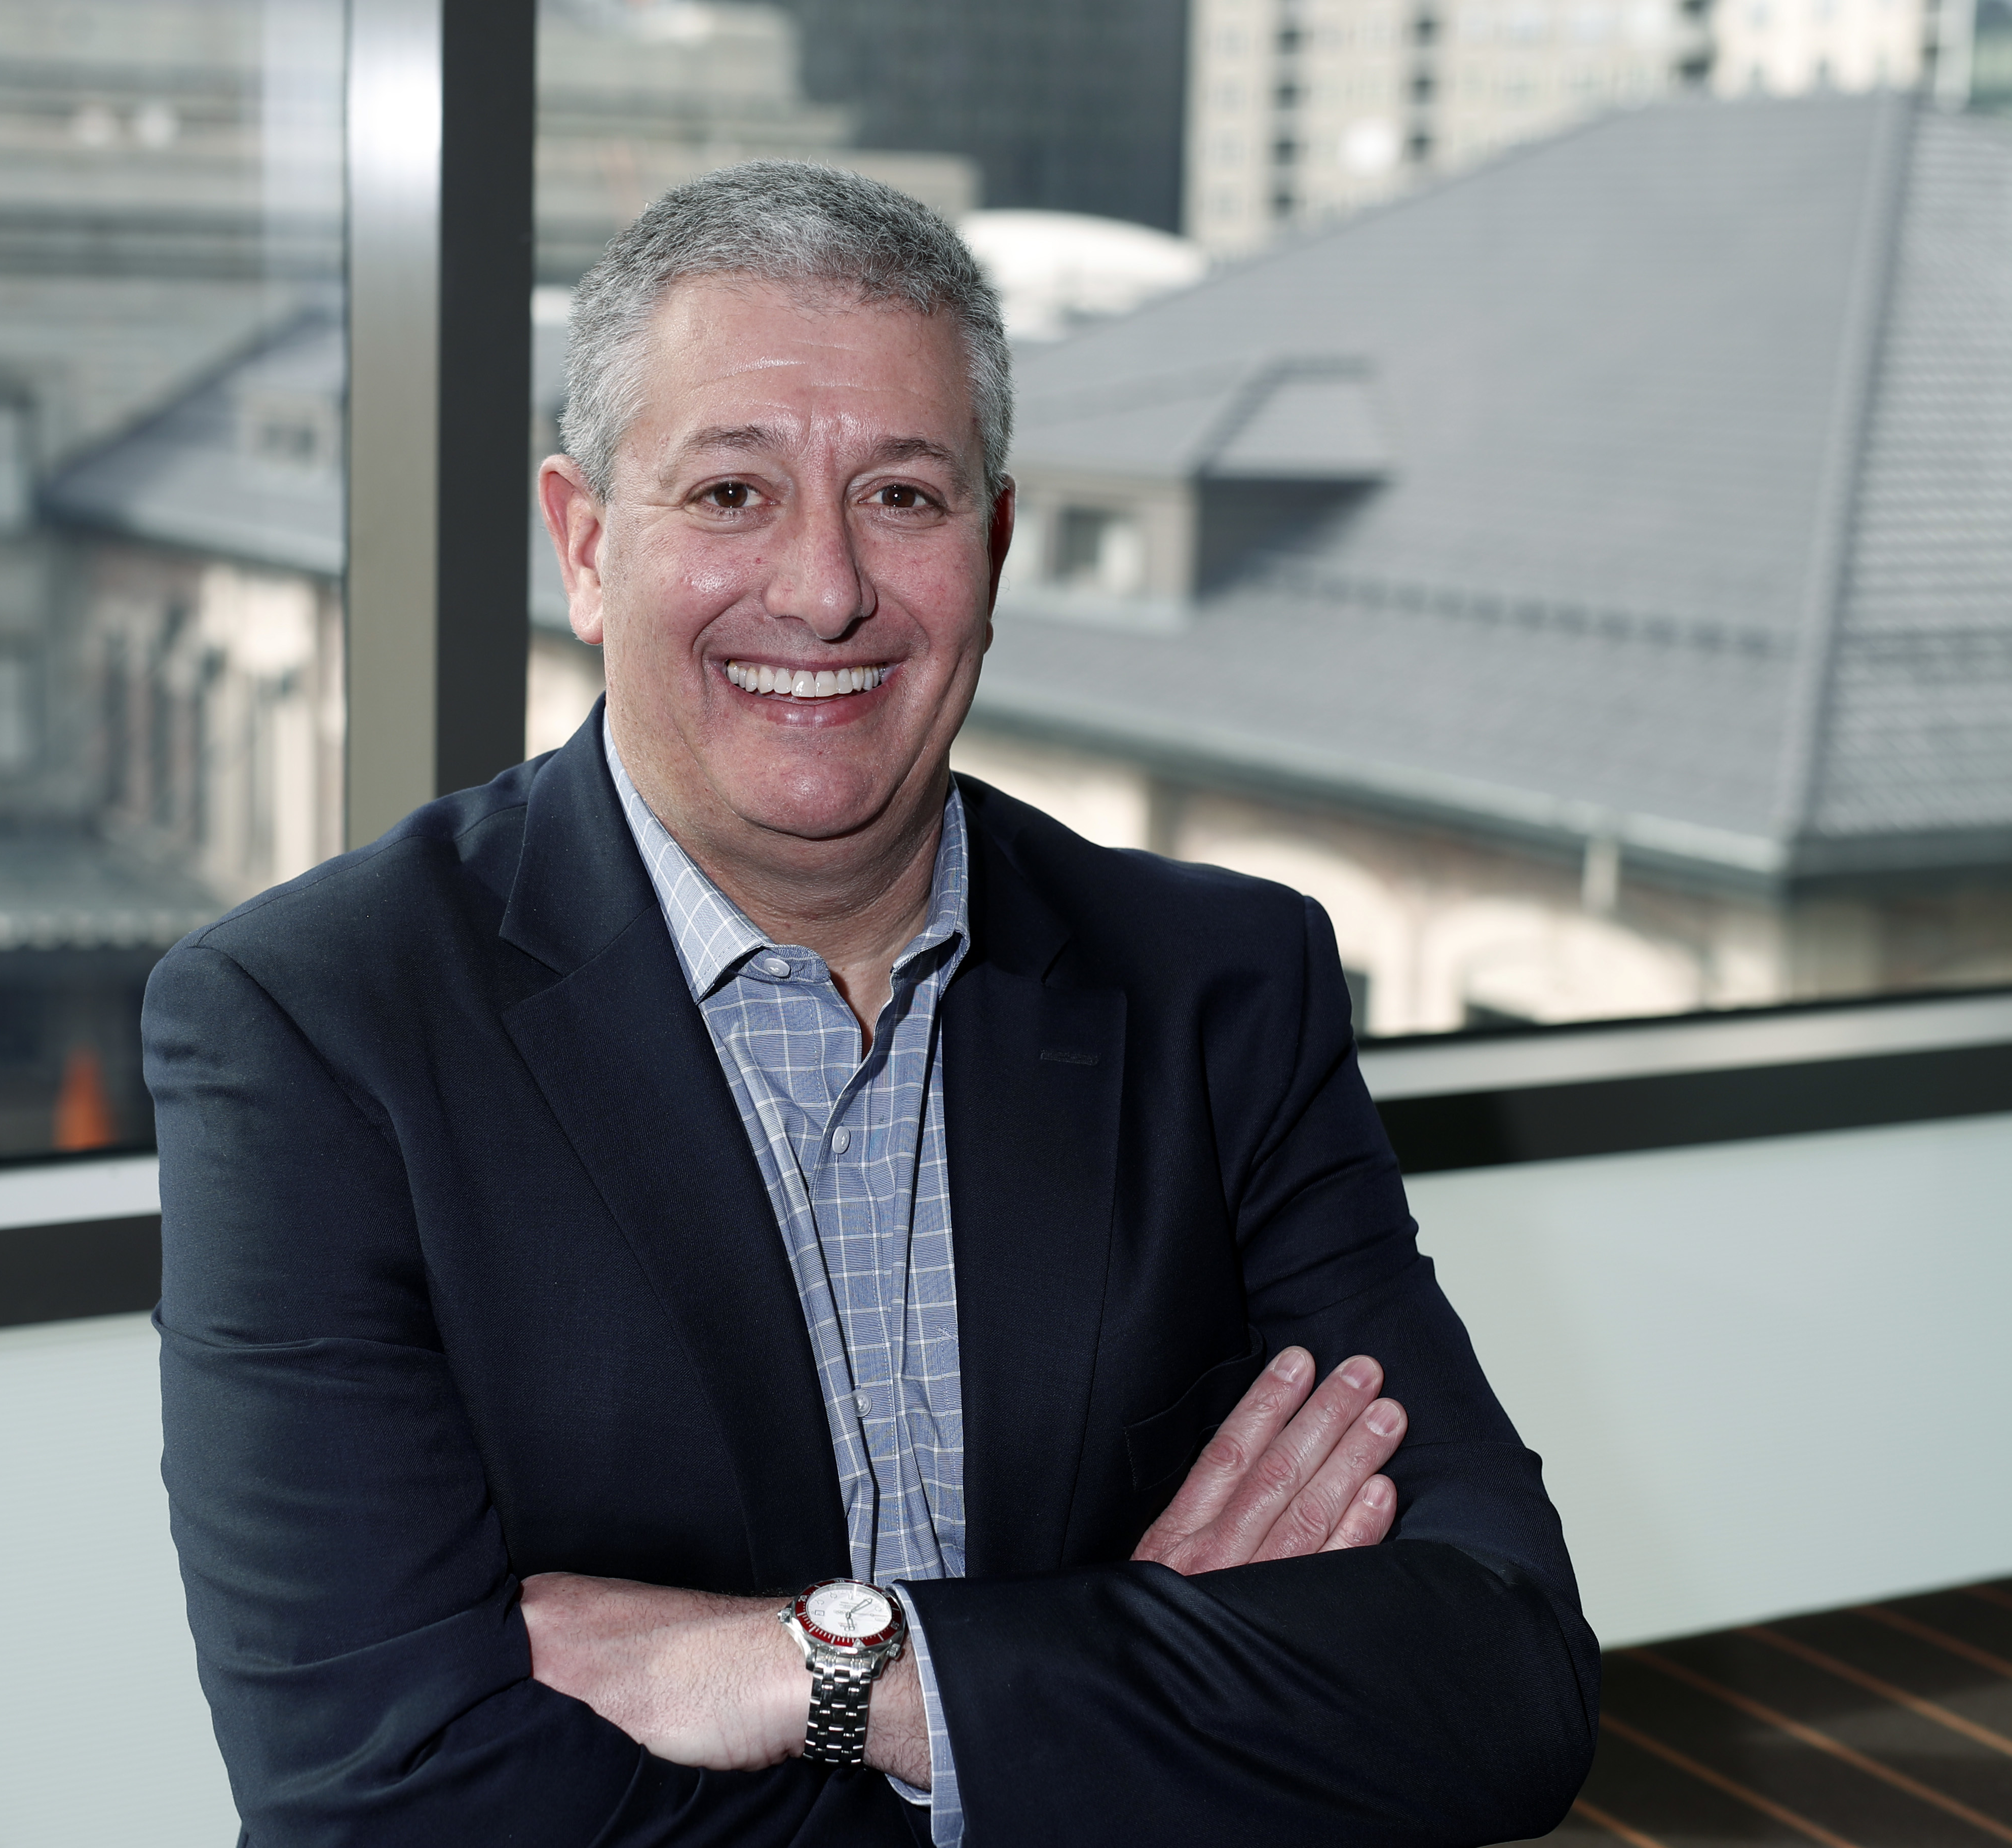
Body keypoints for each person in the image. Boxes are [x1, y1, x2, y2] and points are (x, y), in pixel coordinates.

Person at [148, 160, 1598, 1847]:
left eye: (904, 497)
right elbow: (385, 1810)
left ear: (992, 546)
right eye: (732, 494)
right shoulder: (315, 1032)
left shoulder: (1225, 990)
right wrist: (1123, 1698)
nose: (824, 592)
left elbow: (1503, 1684)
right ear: (587, 545)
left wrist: (838, 1671)